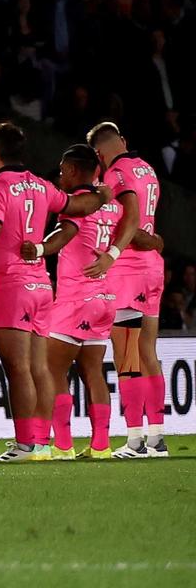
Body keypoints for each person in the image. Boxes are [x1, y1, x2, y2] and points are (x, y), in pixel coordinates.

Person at [0, 121, 60, 462]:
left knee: (18, 370)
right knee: (39, 368)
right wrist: (46, 247)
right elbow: (76, 210)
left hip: (11, 286)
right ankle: (41, 442)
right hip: (41, 284)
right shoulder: (43, 186)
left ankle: (25, 445)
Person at [89, 121, 170, 457]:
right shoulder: (147, 168)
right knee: (148, 353)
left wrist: (114, 251)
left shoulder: (115, 175)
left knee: (127, 357)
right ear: (122, 140)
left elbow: (129, 221)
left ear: (98, 154)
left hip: (128, 270)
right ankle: (157, 437)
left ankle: (135, 439)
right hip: (152, 268)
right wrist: (153, 240)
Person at [34, 145, 120, 460]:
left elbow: (64, 233)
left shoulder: (77, 204)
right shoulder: (111, 205)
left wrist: (40, 250)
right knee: (93, 371)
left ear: (71, 170)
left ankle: (62, 444)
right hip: (105, 296)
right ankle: (100, 445)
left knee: (51, 369)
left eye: (61, 169)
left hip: (76, 297)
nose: (59, 175)